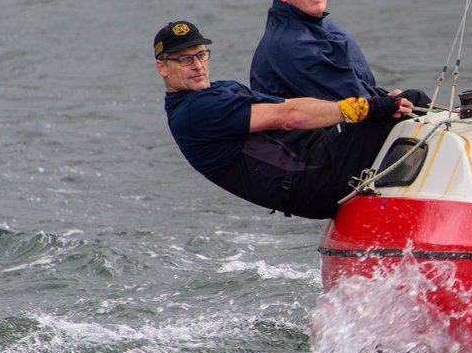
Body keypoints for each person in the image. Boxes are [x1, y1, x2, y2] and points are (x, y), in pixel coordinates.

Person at [154, 20, 413, 219]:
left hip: (319, 162)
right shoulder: (196, 112)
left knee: (406, 101)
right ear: (162, 67)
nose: (198, 65)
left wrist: (374, 100)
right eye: (185, 59)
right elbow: (287, 117)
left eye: (201, 55)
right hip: (313, 184)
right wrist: (367, 109)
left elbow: (287, 105)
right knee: (398, 113)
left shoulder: (221, 90)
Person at [250, 0, 430, 110]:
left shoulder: (323, 26)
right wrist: (387, 103)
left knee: (415, 99)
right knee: (412, 103)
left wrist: (386, 96)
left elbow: (360, 92)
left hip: (348, 123)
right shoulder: (291, 44)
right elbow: (348, 104)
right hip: (309, 140)